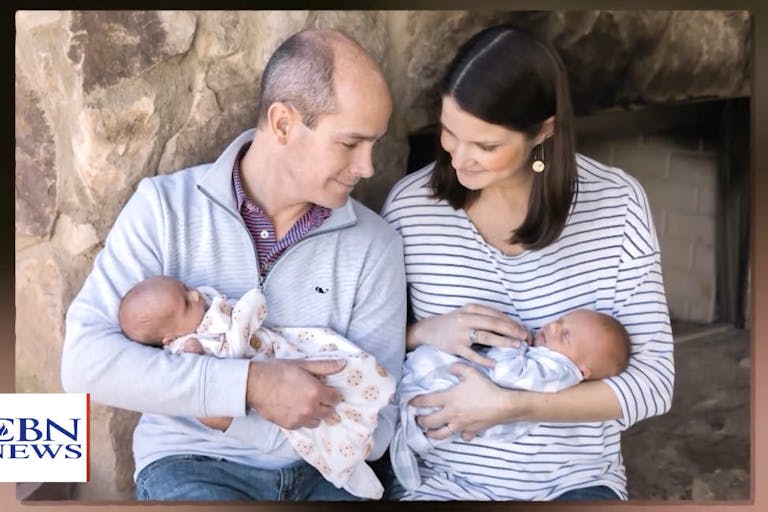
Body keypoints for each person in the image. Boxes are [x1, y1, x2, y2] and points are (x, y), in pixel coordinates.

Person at [61, 29, 406, 501]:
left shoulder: (376, 245)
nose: (367, 167)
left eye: (374, 145)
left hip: (328, 473)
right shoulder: (164, 208)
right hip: (192, 463)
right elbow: (86, 363)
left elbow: (381, 423)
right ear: (282, 124)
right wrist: (248, 386)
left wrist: (292, 416)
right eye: (350, 143)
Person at [381, 24, 674, 501]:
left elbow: (654, 383)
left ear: (544, 131)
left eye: (487, 146)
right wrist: (423, 332)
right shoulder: (411, 209)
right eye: (449, 133)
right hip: (443, 484)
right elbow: (360, 346)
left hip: (575, 483)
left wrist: (512, 405)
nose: (458, 160)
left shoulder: (617, 205)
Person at [117, 275, 396, 499]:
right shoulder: (188, 347)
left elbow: (381, 434)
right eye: (186, 304)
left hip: (309, 467)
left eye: (185, 287)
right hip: (198, 460)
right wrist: (250, 382)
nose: (195, 295)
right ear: (168, 337)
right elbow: (203, 383)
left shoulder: (374, 244)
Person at [390, 309, 631, 494]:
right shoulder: (552, 361)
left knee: (428, 390)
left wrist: (510, 345)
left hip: (557, 479)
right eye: (560, 321)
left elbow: (504, 373)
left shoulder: (557, 370)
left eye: (565, 334)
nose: (554, 327)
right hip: (453, 473)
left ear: (584, 370)